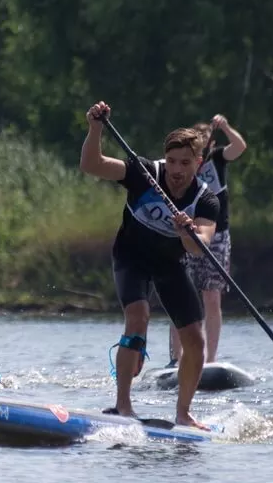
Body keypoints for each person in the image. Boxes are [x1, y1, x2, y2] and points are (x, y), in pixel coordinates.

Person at [79, 102, 219, 428]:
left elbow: (199, 249)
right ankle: (123, 406)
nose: (176, 170)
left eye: (185, 163)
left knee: (195, 340)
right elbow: (91, 164)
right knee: (138, 317)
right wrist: (95, 128)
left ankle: (183, 413)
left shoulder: (206, 200)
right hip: (130, 257)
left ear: (198, 164)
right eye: (171, 161)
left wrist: (188, 232)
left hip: (169, 264)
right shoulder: (144, 173)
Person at [168, 114, 248, 365]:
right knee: (181, 294)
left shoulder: (217, 159)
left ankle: (210, 360)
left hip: (218, 236)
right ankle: (175, 358)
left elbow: (240, 147)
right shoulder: (183, 167)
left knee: (212, 297)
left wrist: (224, 126)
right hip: (188, 235)